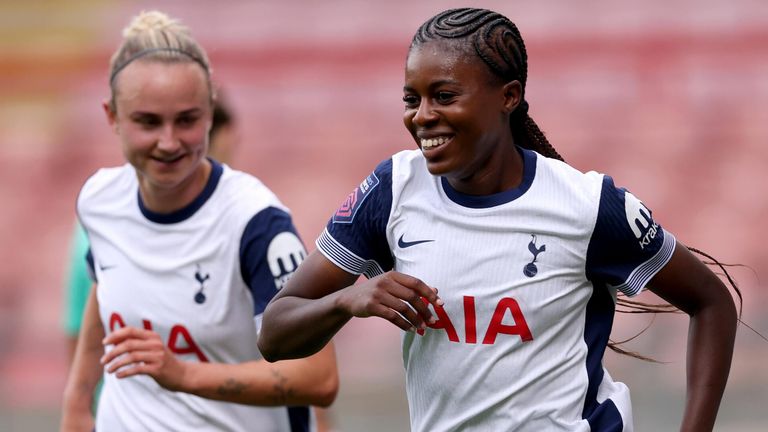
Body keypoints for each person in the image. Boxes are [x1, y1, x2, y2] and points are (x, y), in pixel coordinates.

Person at [257, 7, 739, 432]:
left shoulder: (587, 203)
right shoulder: (392, 190)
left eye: (444, 96)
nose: (422, 116)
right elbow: (274, 333)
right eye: (412, 99)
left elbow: (711, 302)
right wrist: (348, 299)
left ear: (508, 96)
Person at [61, 10, 338, 432]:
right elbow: (105, 287)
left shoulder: (257, 224)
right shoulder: (99, 200)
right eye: (148, 122)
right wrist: (77, 405)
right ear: (112, 117)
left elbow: (318, 377)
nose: (169, 142)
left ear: (210, 114)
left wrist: (185, 375)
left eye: (187, 120)